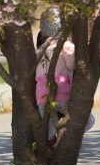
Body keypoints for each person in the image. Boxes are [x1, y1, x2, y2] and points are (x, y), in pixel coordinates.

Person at [35, 12, 93, 146]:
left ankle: (49, 154)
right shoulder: (66, 46)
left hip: (42, 98)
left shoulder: (40, 50)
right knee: (89, 120)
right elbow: (72, 64)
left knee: (49, 132)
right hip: (63, 96)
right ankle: (65, 140)